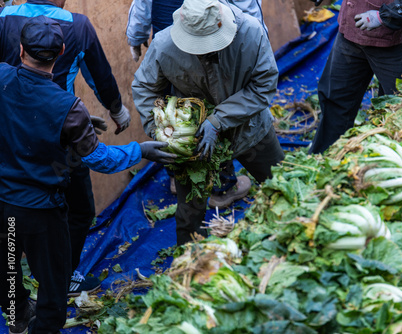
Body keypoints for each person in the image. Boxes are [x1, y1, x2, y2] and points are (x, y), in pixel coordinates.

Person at [0, 16, 175, 334]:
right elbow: (100, 159)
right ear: (63, 51)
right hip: (40, 213)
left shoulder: (1, 76)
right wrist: (141, 150)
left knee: (7, 269)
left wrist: (71, 126)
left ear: (20, 49)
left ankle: (17, 319)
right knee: (53, 290)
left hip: (3, 206)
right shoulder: (68, 106)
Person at [0, 0, 131, 295]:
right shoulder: (78, 25)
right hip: (61, 137)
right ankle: (61, 277)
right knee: (80, 208)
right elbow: (101, 75)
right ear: (59, 53)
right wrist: (117, 112)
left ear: (21, 51)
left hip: (10, 135)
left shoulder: (6, 17)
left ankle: (16, 305)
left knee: (10, 223)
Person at [132, 0, 284, 246]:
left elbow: (263, 85)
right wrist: (165, 132)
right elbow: (145, 88)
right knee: (189, 217)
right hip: (193, 141)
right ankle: (190, 264)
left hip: (250, 129)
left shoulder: (251, 32)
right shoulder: (164, 44)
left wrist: (218, 120)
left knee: (281, 186)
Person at [308, 0, 402, 154]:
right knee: (335, 99)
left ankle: (389, 164)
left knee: (395, 109)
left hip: (393, 39)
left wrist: (385, 16)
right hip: (351, 27)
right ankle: (327, 159)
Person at [126, 0, 267, 62]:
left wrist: (258, 43)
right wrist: (137, 32)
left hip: (211, 13)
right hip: (169, 9)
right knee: (171, 69)